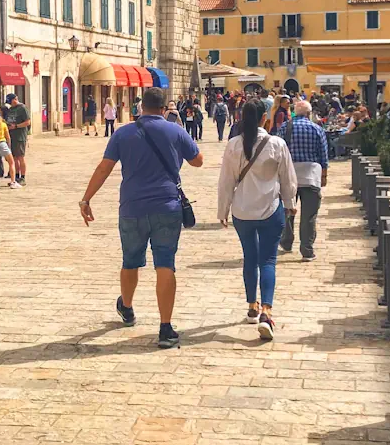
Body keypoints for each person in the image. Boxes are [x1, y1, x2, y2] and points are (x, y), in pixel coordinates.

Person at [79, 87, 204, 350]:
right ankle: (165, 328)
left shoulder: (123, 133)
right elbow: (198, 161)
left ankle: (127, 307)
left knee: (130, 260)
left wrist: (86, 198)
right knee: (165, 264)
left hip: (132, 207)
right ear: (163, 109)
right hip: (167, 206)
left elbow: (104, 167)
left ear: (140, 107)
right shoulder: (175, 130)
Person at [218, 99, 297, 341]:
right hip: (270, 210)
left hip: (242, 211)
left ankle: (252, 305)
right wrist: (290, 204)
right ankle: (266, 311)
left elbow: (226, 182)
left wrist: (222, 210)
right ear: (265, 118)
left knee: (249, 258)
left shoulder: (233, 145)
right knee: (268, 261)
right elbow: (288, 179)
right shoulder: (276, 144)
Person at [278, 100, 329, 261]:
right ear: (309, 113)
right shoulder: (317, 129)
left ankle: (286, 241)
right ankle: (306, 249)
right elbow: (323, 155)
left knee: (287, 210)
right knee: (309, 215)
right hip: (311, 176)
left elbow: (278, 152)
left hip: (289, 176)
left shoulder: (285, 127)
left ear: (295, 112)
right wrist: (324, 176)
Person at [4, 93, 30, 185]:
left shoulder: (22, 108)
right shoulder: (11, 109)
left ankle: (23, 177)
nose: (10, 104)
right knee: (14, 158)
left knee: (20, 157)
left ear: (15, 99)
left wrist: (16, 126)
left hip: (19, 136)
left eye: (11, 102)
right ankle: (16, 176)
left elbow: (27, 122)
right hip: (11, 136)